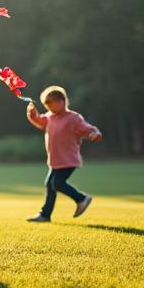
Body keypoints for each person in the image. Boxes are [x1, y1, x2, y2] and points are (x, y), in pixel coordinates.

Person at [24, 85, 102, 223]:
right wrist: (32, 115)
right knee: (50, 185)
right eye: (46, 106)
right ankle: (45, 214)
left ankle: (82, 198)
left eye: (51, 104)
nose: (49, 108)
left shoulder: (73, 118)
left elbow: (88, 128)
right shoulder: (49, 117)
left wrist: (95, 133)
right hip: (55, 160)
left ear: (62, 101)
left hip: (68, 159)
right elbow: (40, 121)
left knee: (57, 184)